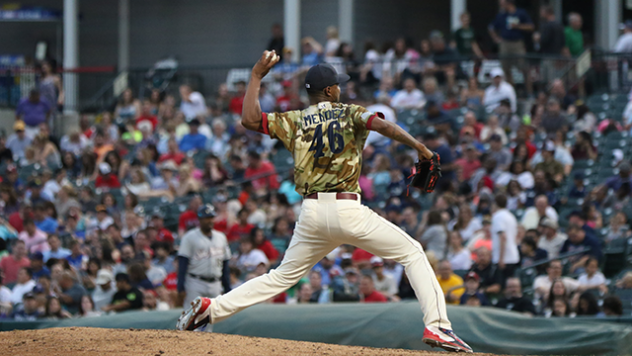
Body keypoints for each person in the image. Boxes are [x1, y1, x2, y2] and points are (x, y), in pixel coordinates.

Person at [177, 53, 473, 352]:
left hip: (312, 214)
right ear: (330, 90)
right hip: (347, 210)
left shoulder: (295, 119)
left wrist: (256, 75)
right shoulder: (350, 112)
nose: (341, 89)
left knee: (280, 277)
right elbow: (382, 126)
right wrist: (420, 148)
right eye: (338, 85)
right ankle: (438, 327)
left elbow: (249, 119)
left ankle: (210, 309)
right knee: (413, 253)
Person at [176, 204, 231, 308]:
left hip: (216, 283)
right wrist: (181, 287)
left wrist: (227, 287)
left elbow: (225, 264)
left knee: (213, 317)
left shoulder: (221, 237)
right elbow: (183, 263)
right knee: (193, 317)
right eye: (206, 218)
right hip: (195, 282)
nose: (209, 221)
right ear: (199, 219)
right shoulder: (189, 237)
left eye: (211, 218)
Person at [488, 0, 534, 85]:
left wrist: (517, 26)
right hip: (505, 44)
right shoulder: (501, 15)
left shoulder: (520, 13)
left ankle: (529, 91)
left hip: (517, 43)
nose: (501, 5)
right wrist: (496, 38)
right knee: (506, 68)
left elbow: (530, 26)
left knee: (524, 67)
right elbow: (491, 27)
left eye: (502, 3)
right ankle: (511, 90)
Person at [491, 194, 519, 279]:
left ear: (495, 204)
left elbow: (503, 236)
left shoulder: (497, 216)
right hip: (513, 256)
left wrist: (501, 259)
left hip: (504, 259)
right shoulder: (511, 216)